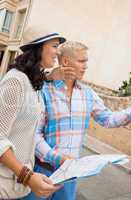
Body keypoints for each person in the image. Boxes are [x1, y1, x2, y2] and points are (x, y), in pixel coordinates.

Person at [25, 41, 131, 200]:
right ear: (66, 62)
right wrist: (57, 158)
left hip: (70, 178)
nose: (86, 66)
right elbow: (34, 134)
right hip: (40, 172)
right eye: (81, 61)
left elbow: (108, 120)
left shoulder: (88, 94)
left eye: (86, 61)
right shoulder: (43, 90)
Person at [0, 33, 76, 200]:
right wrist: (28, 176)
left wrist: (49, 76)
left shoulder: (32, 83)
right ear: (38, 48)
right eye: (55, 46)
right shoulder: (15, 81)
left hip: (18, 186)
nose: (58, 52)